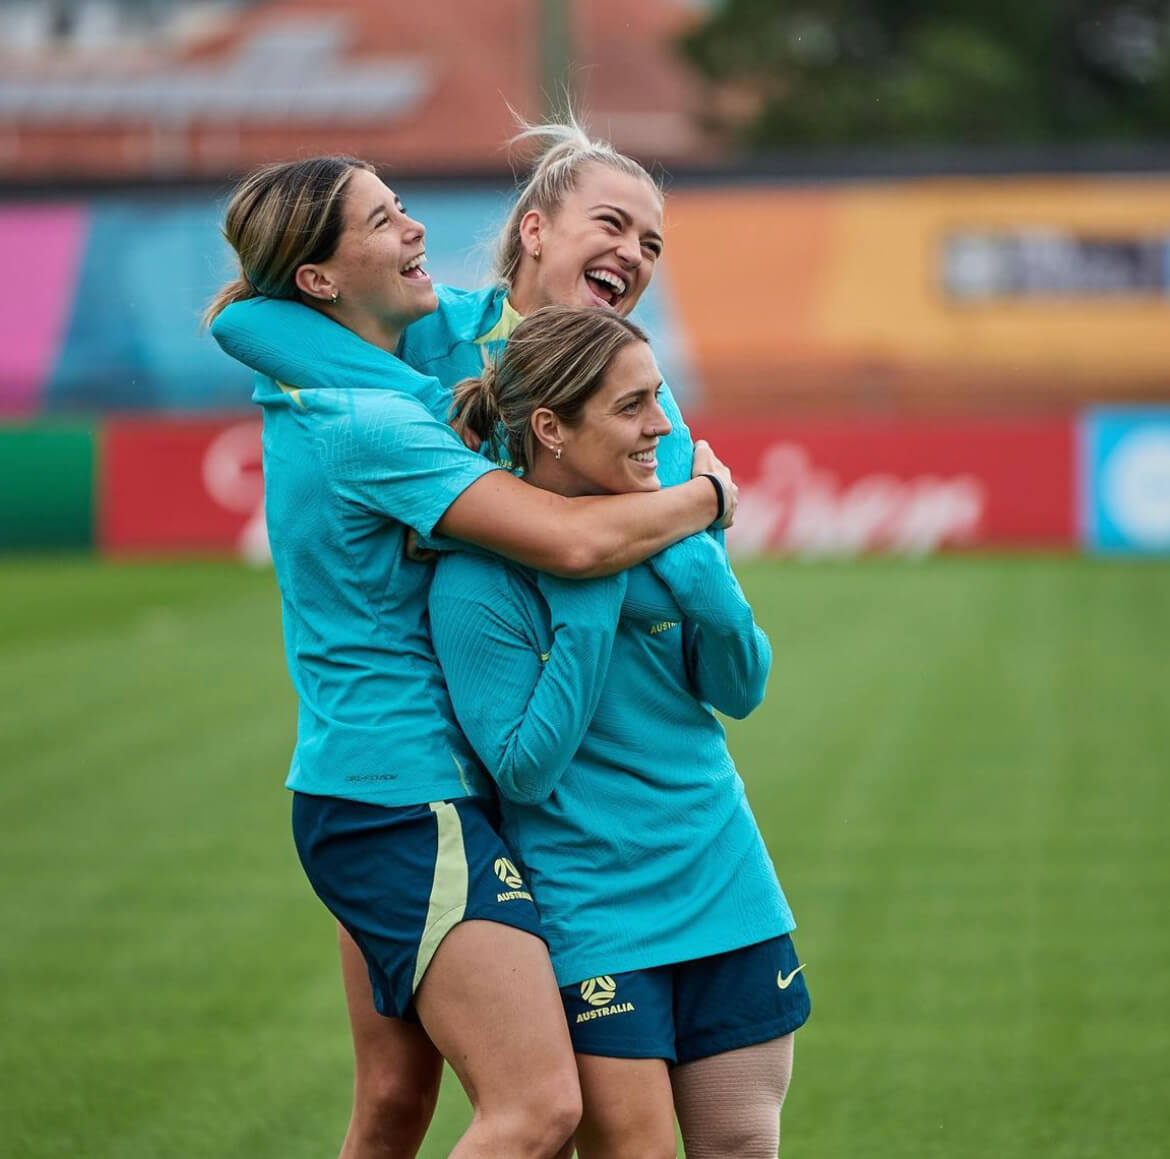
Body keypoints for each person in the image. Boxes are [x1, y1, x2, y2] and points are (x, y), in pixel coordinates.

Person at [209, 117, 723, 1158]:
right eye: (609, 223)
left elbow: (251, 321)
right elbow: (579, 546)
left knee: (395, 1099)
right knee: (539, 1108)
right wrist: (712, 494)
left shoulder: (552, 374)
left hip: (422, 781)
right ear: (534, 229)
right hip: (413, 783)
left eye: (652, 243)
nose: (632, 253)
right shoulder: (398, 382)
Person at [429, 305, 811, 1159]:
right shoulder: (474, 579)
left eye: (658, 398)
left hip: (725, 874)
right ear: (551, 429)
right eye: (633, 405)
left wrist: (699, 566)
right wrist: (587, 590)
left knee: (746, 1144)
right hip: (592, 904)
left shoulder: (665, 522)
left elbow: (740, 687)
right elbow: (524, 770)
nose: (663, 424)